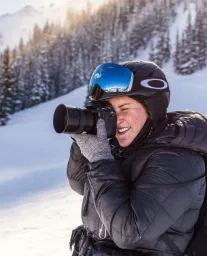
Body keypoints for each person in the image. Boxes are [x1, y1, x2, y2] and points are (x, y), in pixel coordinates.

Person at [66, 60, 207, 255]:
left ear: (151, 109)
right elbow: (80, 183)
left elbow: (129, 233)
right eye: (111, 111)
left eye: (124, 108)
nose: (118, 118)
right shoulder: (124, 147)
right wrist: (85, 139)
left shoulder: (179, 161)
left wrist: (100, 159)